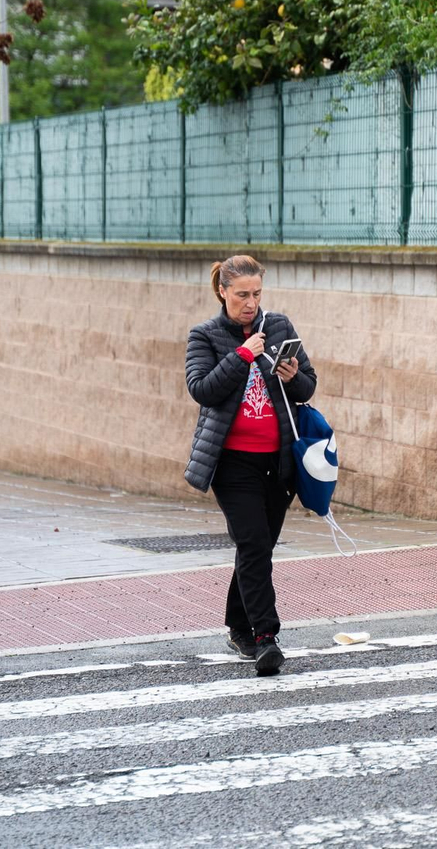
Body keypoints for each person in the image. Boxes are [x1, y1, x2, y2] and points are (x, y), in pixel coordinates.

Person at [183, 254, 316, 676]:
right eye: (242, 294)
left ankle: (239, 625)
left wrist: (293, 375)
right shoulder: (204, 335)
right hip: (232, 463)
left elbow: (309, 386)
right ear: (223, 291)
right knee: (254, 542)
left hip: (277, 462)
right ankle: (265, 638)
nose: (250, 303)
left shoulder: (278, 327)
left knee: (256, 547)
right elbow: (201, 389)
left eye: (257, 294)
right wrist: (242, 355)